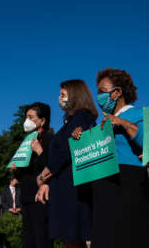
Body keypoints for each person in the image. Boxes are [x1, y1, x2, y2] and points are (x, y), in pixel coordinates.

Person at [74, 68, 149, 248]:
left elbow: (148, 144)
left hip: (128, 181)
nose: (98, 96)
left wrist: (123, 123)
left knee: (129, 235)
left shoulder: (137, 114)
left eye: (102, 91)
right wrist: (81, 137)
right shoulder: (100, 124)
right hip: (104, 185)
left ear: (117, 92)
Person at [36, 80, 97, 248]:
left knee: (73, 236)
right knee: (66, 238)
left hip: (72, 187)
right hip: (61, 186)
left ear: (75, 95)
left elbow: (69, 149)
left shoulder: (83, 117)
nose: (59, 98)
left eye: (62, 94)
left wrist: (44, 175)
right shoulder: (68, 122)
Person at [12, 102, 53, 248]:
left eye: (31, 117)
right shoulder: (26, 141)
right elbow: (25, 173)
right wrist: (16, 169)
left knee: (41, 238)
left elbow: (51, 166)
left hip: (41, 196)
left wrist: (40, 151)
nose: (27, 121)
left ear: (42, 120)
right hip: (27, 196)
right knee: (28, 241)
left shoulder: (48, 139)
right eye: (26, 117)